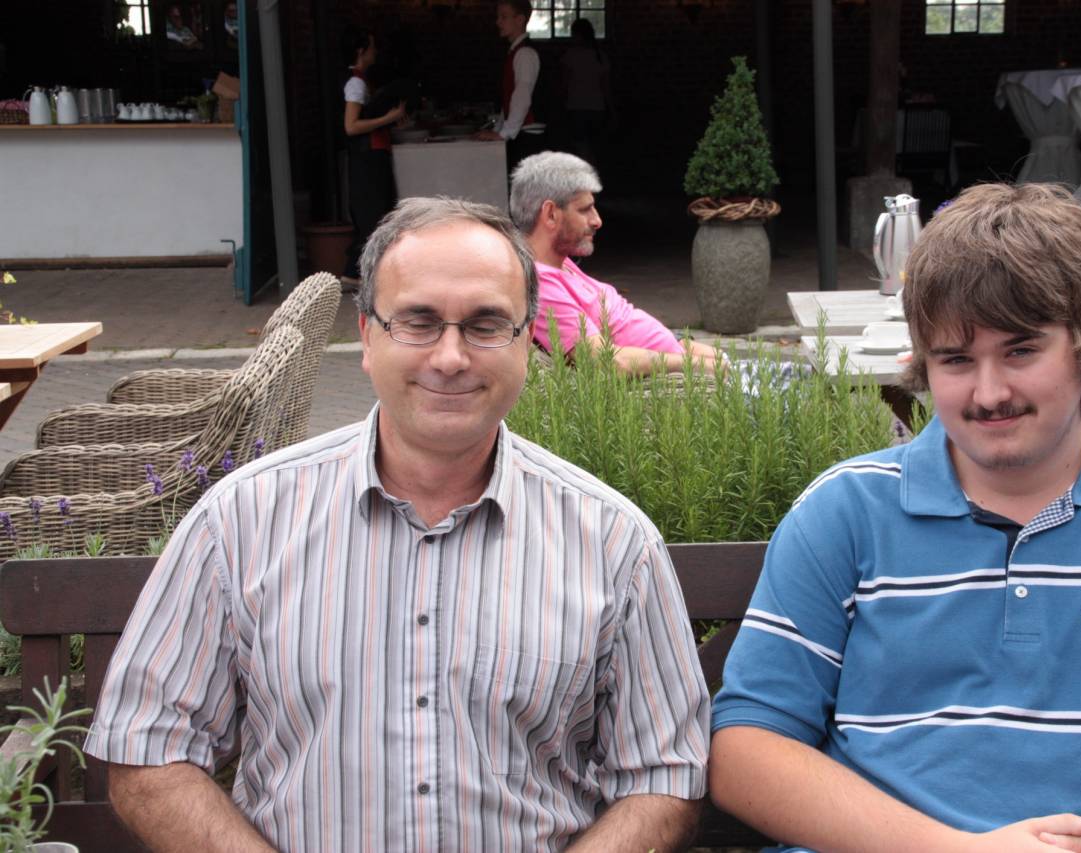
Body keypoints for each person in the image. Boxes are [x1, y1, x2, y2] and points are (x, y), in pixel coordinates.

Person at [84, 197, 709, 851]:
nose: (450, 356)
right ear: (367, 336)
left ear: (527, 341)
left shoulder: (613, 542)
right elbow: (148, 749)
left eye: (486, 324)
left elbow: (665, 774)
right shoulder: (241, 522)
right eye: (418, 322)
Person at [710, 183, 1081, 851]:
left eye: (1020, 351)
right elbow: (746, 748)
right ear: (921, 364)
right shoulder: (846, 509)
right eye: (955, 359)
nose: (989, 393)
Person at [510, 151, 723, 375]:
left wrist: (685, 346)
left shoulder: (559, 262)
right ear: (551, 213)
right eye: (584, 209)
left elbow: (626, 325)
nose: (597, 221)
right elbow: (608, 362)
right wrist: (696, 364)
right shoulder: (541, 283)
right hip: (672, 381)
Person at [340, 26, 405, 289]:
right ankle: (355, 272)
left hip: (371, 154)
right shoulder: (355, 83)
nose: (376, 51)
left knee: (376, 212)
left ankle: (360, 272)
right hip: (367, 157)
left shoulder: (360, 80)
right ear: (361, 51)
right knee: (373, 213)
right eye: (372, 46)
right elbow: (351, 125)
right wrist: (389, 118)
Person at [473, 0, 545, 168]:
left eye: (503, 17)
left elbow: (522, 95)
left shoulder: (525, 53)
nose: (498, 22)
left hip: (529, 136)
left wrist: (503, 134)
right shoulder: (516, 52)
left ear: (520, 20)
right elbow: (510, 100)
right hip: (521, 133)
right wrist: (498, 130)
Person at [560, 18, 611, 168]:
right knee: (592, 147)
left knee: (581, 146)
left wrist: (560, 103)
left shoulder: (570, 56)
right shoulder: (600, 56)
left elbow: (564, 84)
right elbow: (606, 87)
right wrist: (610, 108)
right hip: (596, 107)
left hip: (576, 106)